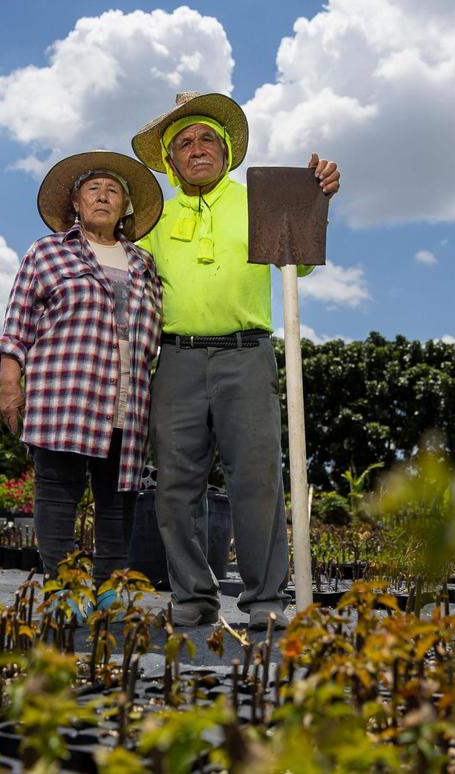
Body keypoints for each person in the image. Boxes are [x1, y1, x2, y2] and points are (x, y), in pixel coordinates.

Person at [131, 92, 340, 629]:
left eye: (206, 139)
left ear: (225, 152)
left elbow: (302, 265)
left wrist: (316, 198)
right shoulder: (155, 216)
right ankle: (194, 597)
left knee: (257, 479)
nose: (196, 149)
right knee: (176, 485)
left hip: (246, 356)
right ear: (172, 162)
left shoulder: (258, 201)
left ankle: (265, 601)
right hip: (175, 360)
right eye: (183, 143)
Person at [0, 150, 163, 610]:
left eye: (113, 191)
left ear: (125, 205)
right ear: (75, 202)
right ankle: (63, 587)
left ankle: (110, 587)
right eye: (94, 189)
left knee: (119, 494)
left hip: (127, 394)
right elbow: (17, 323)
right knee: (58, 491)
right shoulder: (48, 252)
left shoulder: (144, 262)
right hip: (65, 390)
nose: (104, 197)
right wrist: (11, 382)